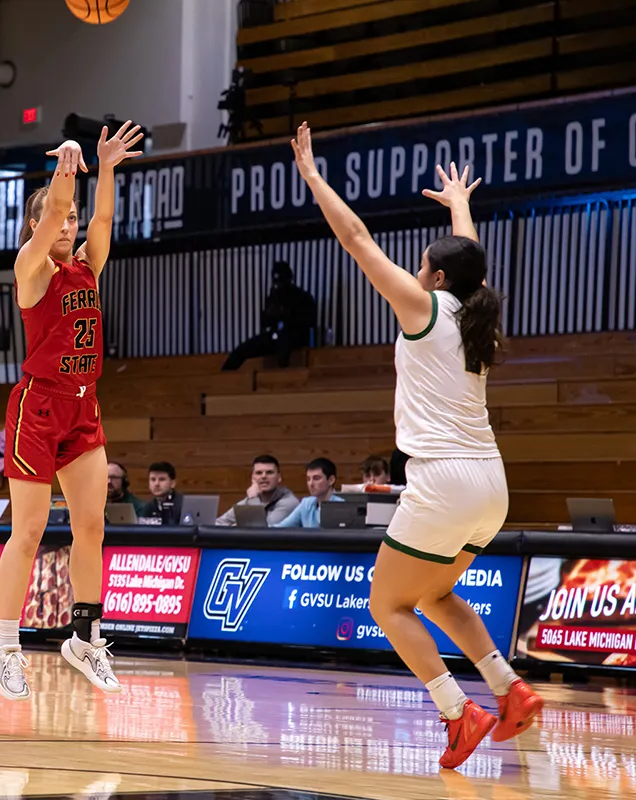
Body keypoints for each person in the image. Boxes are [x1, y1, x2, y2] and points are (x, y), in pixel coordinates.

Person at [292, 122, 542, 770]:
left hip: (446, 481)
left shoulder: (424, 307)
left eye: (426, 264)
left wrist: (315, 179)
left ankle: (459, 714)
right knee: (434, 594)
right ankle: (508, 688)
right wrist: (460, 205)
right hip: (491, 484)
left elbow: (356, 240)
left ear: (432, 275)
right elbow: (471, 257)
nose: (418, 269)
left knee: (386, 602)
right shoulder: (478, 310)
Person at [0, 120, 143, 701]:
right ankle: (5, 643)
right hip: (38, 405)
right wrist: (66, 168)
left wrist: (104, 169)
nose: (69, 223)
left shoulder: (86, 266)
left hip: (84, 407)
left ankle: (85, 635)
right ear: (35, 225)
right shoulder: (31, 268)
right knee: (27, 530)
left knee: (92, 526)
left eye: (71, 219)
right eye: (59, 217)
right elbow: (56, 211)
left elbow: (100, 222)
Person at [221, 260, 316, 371]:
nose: (278, 286)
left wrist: (286, 318)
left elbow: (309, 321)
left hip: (294, 337)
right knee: (244, 348)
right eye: (276, 282)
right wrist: (274, 315)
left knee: (283, 338)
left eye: (281, 281)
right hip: (274, 337)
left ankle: (282, 375)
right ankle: (225, 373)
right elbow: (265, 321)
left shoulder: (302, 297)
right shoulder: (274, 297)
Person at [214, 455, 299, 526]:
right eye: (259, 473)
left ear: (279, 477)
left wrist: (253, 499)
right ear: (252, 478)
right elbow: (218, 523)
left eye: (269, 472)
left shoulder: (289, 502)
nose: (264, 476)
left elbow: (262, 532)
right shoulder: (249, 500)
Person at [274, 457, 344, 528]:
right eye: (308, 479)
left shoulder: (342, 506)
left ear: (331, 480)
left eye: (316, 478)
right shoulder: (306, 504)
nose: (311, 484)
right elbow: (281, 528)